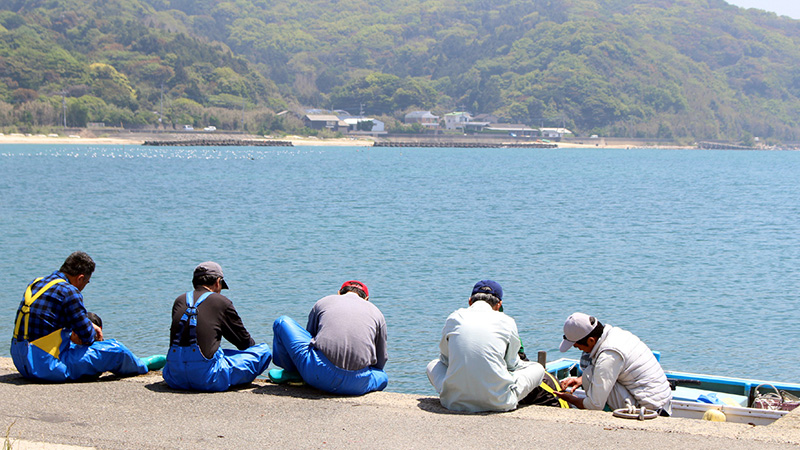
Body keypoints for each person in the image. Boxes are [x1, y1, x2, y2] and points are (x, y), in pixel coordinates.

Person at [11, 251, 159, 382]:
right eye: (86, 282)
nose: (84, 286)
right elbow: (87, 337)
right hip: (45, 366)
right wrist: (92, 331)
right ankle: (140, 365)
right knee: (116, 350)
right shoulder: (69, 291)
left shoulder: (36, 283)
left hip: (21, 359)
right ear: (80, 278)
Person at [426, 280, 546, 412]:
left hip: (453, 401)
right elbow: (511, 365)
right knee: (538, 368)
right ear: (499, 304)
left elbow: (445, 360)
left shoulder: (454, 318)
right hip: (499, 402)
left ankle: (456, 392)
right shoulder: (507, 321)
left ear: (470, 301)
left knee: (432, 364)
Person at [163, 261, 272, 392]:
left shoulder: (179, 300)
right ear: (217, 282)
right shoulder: (221, 302)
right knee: (263, 351)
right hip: (208, 379)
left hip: (174, 377)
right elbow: (244, 342)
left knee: (217, 352)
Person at [270, 280, 388, 395]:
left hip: (318, 375)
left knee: (282, 322)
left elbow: (310, 336)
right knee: (382, 376)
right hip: (357, 385)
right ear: (366, 299)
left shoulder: (324, 301)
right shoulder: (377, 314)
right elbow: (380, 360)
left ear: (339, 293)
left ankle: (293, 373)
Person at [554, 312, 672, 415]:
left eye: (577, 346)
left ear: (591, 340)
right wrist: (579, 380)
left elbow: (594, 406)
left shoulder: (609, 355)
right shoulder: (615, 334)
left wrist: (571, 399)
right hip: (663, 404)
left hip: (650, 410)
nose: (579, 349)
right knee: (589, 376)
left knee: (589, 375)